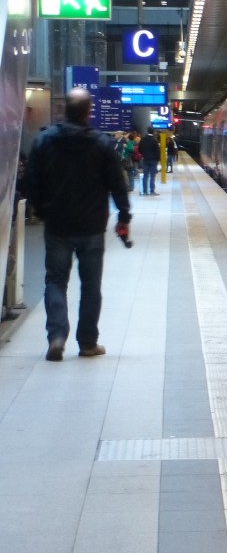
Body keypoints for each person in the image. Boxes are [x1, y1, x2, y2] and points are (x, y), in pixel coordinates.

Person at [22, 87, 132, 361]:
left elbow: (30, 181)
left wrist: (42, 209)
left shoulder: (45, 140)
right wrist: (124, 216)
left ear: (63, 111)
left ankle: (57, 336)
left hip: (58, 225)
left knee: (56, 281)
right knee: (91, 286)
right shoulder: (101, 144)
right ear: (88, 112)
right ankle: (87, 343)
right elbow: (117, 185)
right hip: (92, 226)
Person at [138, 128, 160, 195]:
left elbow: (139, 149)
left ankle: (145, 191)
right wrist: (158, 159)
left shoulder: (143, 139)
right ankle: (152, 191)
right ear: (153, 132)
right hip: (153, 160)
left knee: (145, 176)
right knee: (152, 176)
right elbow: (157, 151)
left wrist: (144, 154)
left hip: (145, 160)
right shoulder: (154, 140)